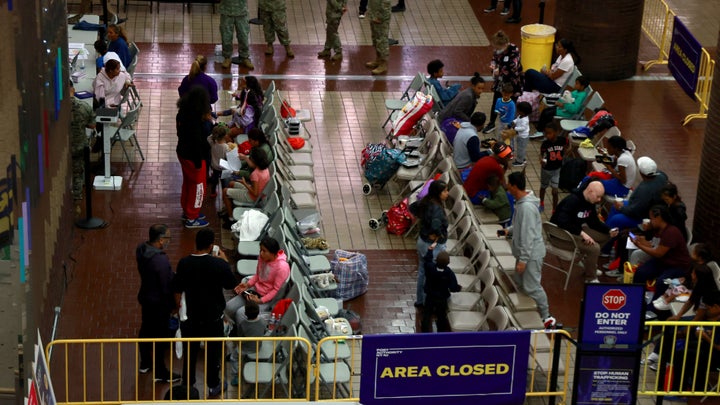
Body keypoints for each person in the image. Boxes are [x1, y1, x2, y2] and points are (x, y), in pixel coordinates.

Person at [172, 228, 235, 397]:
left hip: (191, 318)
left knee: (190, 352)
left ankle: (187, 384)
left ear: (196, 244)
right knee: (213, 353)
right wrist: (225, 261)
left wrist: (180, 310)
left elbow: (177, 289)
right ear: (211, 246)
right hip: (212, 319)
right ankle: (213, 385)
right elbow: (231, 284)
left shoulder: (184, 263)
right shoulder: (219, 264)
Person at [503, 172, 555, 328]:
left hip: (531, 254)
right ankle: (527, 309)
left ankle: (546, 316)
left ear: (514, 186)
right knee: (520, 282)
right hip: (524, 252)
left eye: (509, 184)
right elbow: (521, 226)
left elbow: (528, 235)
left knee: (532, 286)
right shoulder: (521, 203)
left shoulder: (525, 207)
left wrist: (524, 260)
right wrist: (509, 231)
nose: (507, 186)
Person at [136, 224, 181, 383]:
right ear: (161, 240)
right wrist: (174, 305)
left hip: (145, 297)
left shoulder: (141, 249)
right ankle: (161, 372)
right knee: (160, 337)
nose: (169, 241)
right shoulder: (160, 260)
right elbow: (165, 286)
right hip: (158, 304)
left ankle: (145, 363)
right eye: (168, 238)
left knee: (145, 329)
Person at [550, 180, 619, 283]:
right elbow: (562, 221)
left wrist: (609, 230)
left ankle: (589, 263)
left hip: (575, 231)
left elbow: (594, 222)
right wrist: (582, 234)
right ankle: (590, 278)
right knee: (594, 248)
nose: (599, 200)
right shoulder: (572, 201)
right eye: (598, 196)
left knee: (606, 236)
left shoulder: (590, 202)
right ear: (590, 191)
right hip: (560, 235)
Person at [630, 205, 692, 301]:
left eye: (651, 218)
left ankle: (654, 307)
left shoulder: (671, 232)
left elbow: (658, 253)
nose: (650, 221)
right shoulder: (659, 230)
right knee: (641, 272)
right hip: (664, 261)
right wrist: (641, 240)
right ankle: (636, 297)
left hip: (677, 266)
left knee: (661, 282)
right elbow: (654, 245)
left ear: (658, 217)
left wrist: (639, 245)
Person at [224, 237, 291, 323]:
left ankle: (243, 332)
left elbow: (276, 290)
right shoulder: (262, 258)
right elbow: (258, 275)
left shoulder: (281, 268)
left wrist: (260, 301)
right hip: (255, 291)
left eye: (264, 251)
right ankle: (237, 326)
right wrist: (248, 285)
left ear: (273, 253)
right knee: (229, 307)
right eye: (260, 250)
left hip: (266, 299)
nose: (261, 253)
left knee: (240, 314)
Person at [408, 180, 449, 308]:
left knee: (422, 272)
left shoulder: (426, 201)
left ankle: (420, 300)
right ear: (438, 193)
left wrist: (423, 222)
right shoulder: (437, 208)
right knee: (430, 274)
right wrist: (438, 234)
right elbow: (436, 225)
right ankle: (428, 303)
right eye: (445, 191)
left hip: (422, 241)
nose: (447, 193)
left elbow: (412, 207)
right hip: (431, 245)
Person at [176, 86, 212, 228]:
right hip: (195, 158)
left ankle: (187, 210)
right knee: (198, 187)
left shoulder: (182, 113)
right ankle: (192, 217)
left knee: (188, 183)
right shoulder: (196, 121)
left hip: (182, 153)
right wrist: (199, 163)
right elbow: (198, 142)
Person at [606, 156, 668, 230]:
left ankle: (608, 233)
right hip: (649, 209)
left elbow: (634, 211)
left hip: (644, 218)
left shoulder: (644, 190)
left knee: (615, 219)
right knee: (615, 207)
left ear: (641, 172)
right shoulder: (662, 175)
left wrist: (620, 208)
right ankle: (607, 228)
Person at [482, 30, 523, 134]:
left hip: (512, 81)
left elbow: (513, 67)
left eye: (498, 47)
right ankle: (491, 123)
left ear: (505, 44)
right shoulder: (497, 50)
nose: (496, 50)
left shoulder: (514, 50)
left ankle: (511, 124)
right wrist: (493, 66)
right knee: (496, 101)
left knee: (511, 103)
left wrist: (499, 70)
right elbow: (494, 59)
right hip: (500, 81)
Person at [220, 148, 270, 227]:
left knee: (225, 191)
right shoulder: (266, 169)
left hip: (251, 197)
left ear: (254, 162)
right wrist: (246, 158)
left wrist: (244, 183)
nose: (248, 161)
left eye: (250, 159)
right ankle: (230, 209)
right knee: (231, 183)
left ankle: (231, 219)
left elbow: (255, 193)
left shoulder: (255, 174)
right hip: (258, 194)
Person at [228, 300, 267, 386]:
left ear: (245, 313)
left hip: (245, 348)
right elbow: (264, 331)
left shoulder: (243, 324)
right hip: (258, 346)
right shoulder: (263, 321)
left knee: (234, 358)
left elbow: (240, 336)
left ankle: (236, 377)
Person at [420, 250, 459, 332]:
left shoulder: (430, 268)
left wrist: (430, 251)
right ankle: (440, 331)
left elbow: (427, 260)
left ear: (436, 260)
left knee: (427, 314)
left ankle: (425, 330)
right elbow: (453, 288)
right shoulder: (449, 273)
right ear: (448, 262)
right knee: (441, 315)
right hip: (441, 299)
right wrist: (458, 288)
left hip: (430, 296)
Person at [69, 83, 96, 200]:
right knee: (77, 174)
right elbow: (92, 125)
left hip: (59, 150)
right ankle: (77, 200)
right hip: (79, 146)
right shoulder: (84, 106)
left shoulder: (53, 108)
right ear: (73, 90)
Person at [538, 122, 567, 213]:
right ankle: (541, 202)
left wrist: (566, 152)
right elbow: (541, 154)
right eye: (546, 133)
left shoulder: (562, 140)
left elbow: (568, 145)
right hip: (546, 169)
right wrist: (541, 160)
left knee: (555, 191)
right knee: (543, 187)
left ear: (556, 132)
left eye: (549, 133)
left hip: (556, 169)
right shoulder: (545, 144)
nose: (547, 135)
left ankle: (554, 209)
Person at [219, 0, 254, 69]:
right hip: (226, 11)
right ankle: (227, 57)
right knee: (226, 36)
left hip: (241, 11)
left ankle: (245, 57)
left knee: (243, 36)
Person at [365, 0, 391, 75]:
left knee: (382, 40)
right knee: (376, 38)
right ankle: (378, 59)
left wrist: (380, 17)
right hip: (374, 14)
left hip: (381, 16)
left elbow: (385, 2)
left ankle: (383, 64)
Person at [502, 100, 531, 167]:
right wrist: (513, 122)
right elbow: (517, 120)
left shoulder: (525, 120)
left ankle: (519, 161)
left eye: (519, 110)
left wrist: (514, 128)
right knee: (521, 148)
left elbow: (522, 128)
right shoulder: (521, 116)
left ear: (523, 112)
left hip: (523, 137)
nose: (517, 111)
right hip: (520, 136)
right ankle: (522, 158)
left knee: (521, 149)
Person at [207, 123, 231, 199]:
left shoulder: (213, 143)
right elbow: (228, 156)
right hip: (223, 167)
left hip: (214, 166)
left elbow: (208, 138)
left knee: (214, 179)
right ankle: (224, 193)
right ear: (225, 136)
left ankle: (213, 192)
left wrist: (214, 134)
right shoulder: (225, 147)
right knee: (223, 180)